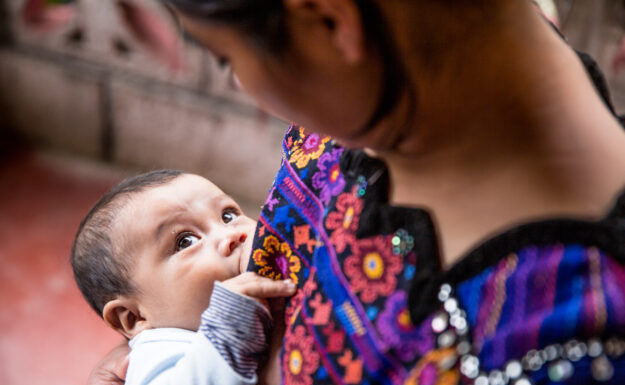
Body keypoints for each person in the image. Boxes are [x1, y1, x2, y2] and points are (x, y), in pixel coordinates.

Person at [90, 0, 625, 384]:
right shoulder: (372, 106)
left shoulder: (570, 341)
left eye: (228, 59)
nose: (243, 85)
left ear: (330, 19)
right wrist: (168, 346)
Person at [72, 169, 297, 385]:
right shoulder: (158, 353)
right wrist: (226, 328)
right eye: (186, 241)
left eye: (228, 215)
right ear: (134, 317)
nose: (232, 234)